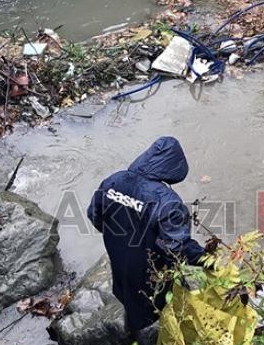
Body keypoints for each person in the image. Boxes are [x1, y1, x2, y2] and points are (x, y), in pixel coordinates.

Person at [87, 136, 206, 333]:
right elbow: (176, 248)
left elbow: (94, 215)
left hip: (119, 259)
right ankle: (142, 343)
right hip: (150, 271)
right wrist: (207, 259)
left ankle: (132, 333)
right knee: (150, 311)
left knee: (129, 300)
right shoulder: (167, 201)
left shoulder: (113, 181)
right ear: (174, 167)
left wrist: (119, 238)